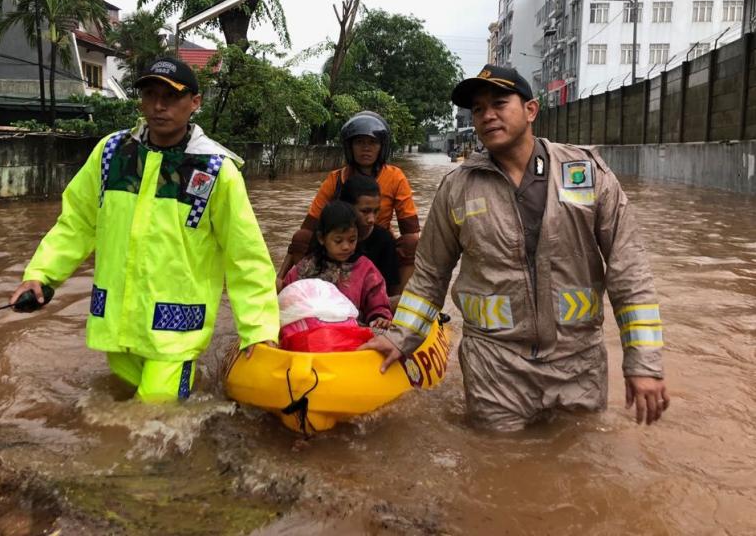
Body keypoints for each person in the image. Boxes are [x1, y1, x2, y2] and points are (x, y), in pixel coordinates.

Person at [363, 64, 669, 431]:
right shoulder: (457, 188)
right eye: (478, 109)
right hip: (494, 366)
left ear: (531, 110)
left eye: (499, 103)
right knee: (496, 467)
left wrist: (643, 364)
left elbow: (629, 270)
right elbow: (430, 274)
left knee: (579, 466)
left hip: (578, 362)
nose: (487, 115)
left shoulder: (586, 173)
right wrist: (400, 338)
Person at [7, 57, 279, 403]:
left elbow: (246, 255)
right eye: (150, 94)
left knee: (154, 418)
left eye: (171, 96)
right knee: (120, 412)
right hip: (117, 325)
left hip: (175, 330)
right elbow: (77, 223)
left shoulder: (215, 171)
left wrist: (259, 330)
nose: (158, 105)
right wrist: (41, 276)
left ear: (195, 103)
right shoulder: (111, 154)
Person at [277, 111, 420, 290]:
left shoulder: (395, 177)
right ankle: (300, 290)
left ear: (381, 146)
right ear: (350, 147)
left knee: (412, 242)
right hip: (340, 240)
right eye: (359, 142)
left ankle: (397, 299)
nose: (366, 148)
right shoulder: (335, 178)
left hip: (378, 243)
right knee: (302, 237)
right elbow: (309, 227)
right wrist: (280, 277)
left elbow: (411, 231)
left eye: (372, 142)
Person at [282, 201, 392, 329]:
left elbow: (378, 304)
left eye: (352, 240)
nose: (346, 247)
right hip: (309, 333)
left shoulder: (366, 269)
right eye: (338, 241)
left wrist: (379, 319)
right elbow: (286, 299)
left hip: (353, 332)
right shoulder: (304, 268)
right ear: (321, 238)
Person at [338, 173, 401, 299]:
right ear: (346, 207)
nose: (371, 219)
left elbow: (389, 290)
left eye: (376, 211)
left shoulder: (385, 240)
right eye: (365, 211)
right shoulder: (327, 233)